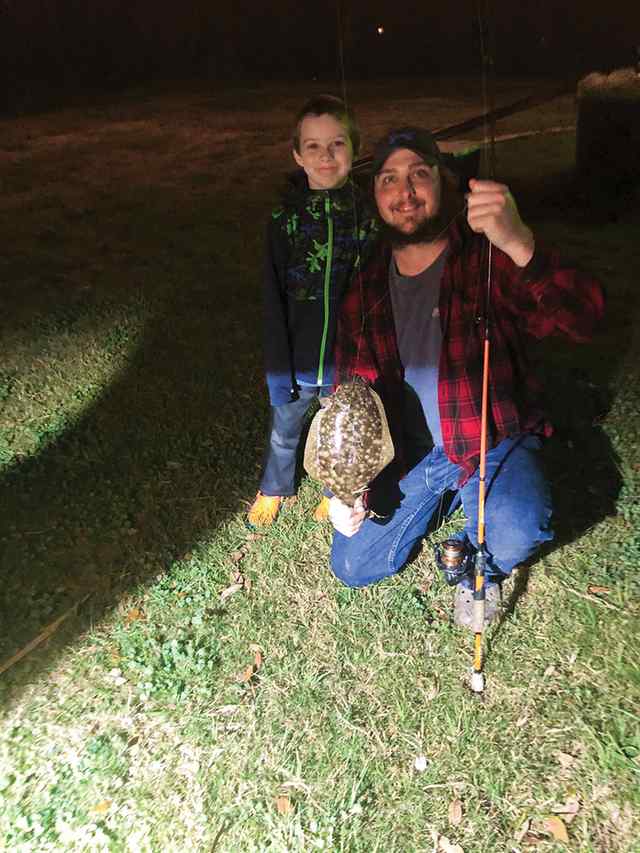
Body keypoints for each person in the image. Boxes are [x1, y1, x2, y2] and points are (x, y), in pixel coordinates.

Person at [327, 127, 604, 627]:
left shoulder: (487, 256)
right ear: (375, 197)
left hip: (489, 437)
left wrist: (520, 241)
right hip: (412, 453)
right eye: (388, 178)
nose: (404, 190)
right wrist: (346, 492)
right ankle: (446, 500)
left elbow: (583, 319)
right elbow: (347, 398)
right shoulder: (363, 286)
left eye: (419, 173)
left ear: (445, 181)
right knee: (352, 563)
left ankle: (483, 558)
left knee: (519, 525)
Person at [248, 95, 378, 527]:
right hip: (298, 359)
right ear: (297, 156)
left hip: (345, 363)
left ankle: (333, 488)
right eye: (313, 146)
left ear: (355, 150)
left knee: (340, 433)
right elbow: (271, 296)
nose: (326, 156)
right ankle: (274, 486)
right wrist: (277, 368)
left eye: (338, 144)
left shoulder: (367, 218)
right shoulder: (283, 219)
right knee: (285, 430)